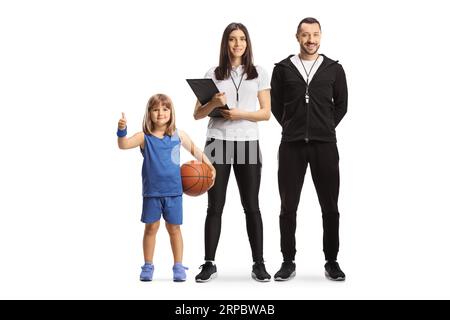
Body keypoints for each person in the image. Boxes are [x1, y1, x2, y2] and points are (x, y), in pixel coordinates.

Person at [193, 22, 272, 282]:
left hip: (247, 141)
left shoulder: (258, 73)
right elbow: (197, 114)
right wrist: (213, 102)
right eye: (232, 39)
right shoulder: (212, 73)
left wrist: (240, 114)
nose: (237, 44)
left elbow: (266, 113)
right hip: (217, 141)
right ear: (225, 43)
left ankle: (258, 264)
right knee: (215, 206)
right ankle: (208, 263)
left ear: (247, 43)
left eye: (242, 39)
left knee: (252, 205)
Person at [270, 17, 348, 281]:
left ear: (321, 36)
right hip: (291, 146)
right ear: (297, 37)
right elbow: (275, 106)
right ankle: (288, 261)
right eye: (305, 35)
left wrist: (323, 127)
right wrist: (293, 126)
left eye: (315, 34)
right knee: (287, 206)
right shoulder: (282, 68)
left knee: (330, 206)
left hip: (325, 145)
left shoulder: (334, 69)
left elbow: (342, 106)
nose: (310, 40)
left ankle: (332, 260)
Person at [117, 93, 216, 282]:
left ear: (171, 112)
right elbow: (123, 145)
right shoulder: (143, 137)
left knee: (174, 229)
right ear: (149, 114)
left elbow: (196, 150)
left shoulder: (178, 135)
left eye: (165, 109)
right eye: (155, 109)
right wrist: (122, 130)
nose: (160, 113)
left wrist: (210, 166)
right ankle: (148, 265)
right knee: (151, 228)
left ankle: (178, 266)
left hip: (174, 192)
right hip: (152, 193)